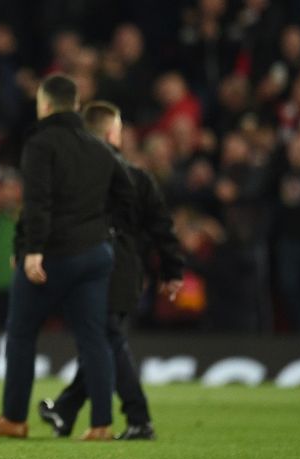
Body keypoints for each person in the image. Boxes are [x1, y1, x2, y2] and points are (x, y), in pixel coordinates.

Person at [0, 74, 135, 440]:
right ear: (76, 106)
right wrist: (103, 230)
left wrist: (31, 250)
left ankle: (14, 419)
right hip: (94, 256)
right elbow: (127, 197)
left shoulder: (41, 143)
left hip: (51, 257)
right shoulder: (99, 147)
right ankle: (102, 423)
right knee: (94, 339)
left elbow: (37, 203)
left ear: (44, 105)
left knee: (21, 335)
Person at [38, 101, 185, 440]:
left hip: (92, 270)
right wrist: (172, 270)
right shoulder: (138, 177)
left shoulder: (74, 178)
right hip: (126, 272)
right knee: (102, 342)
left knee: (108, 342)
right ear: (110, 133)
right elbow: (163, 227)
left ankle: (139, 418)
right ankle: (66, 409)